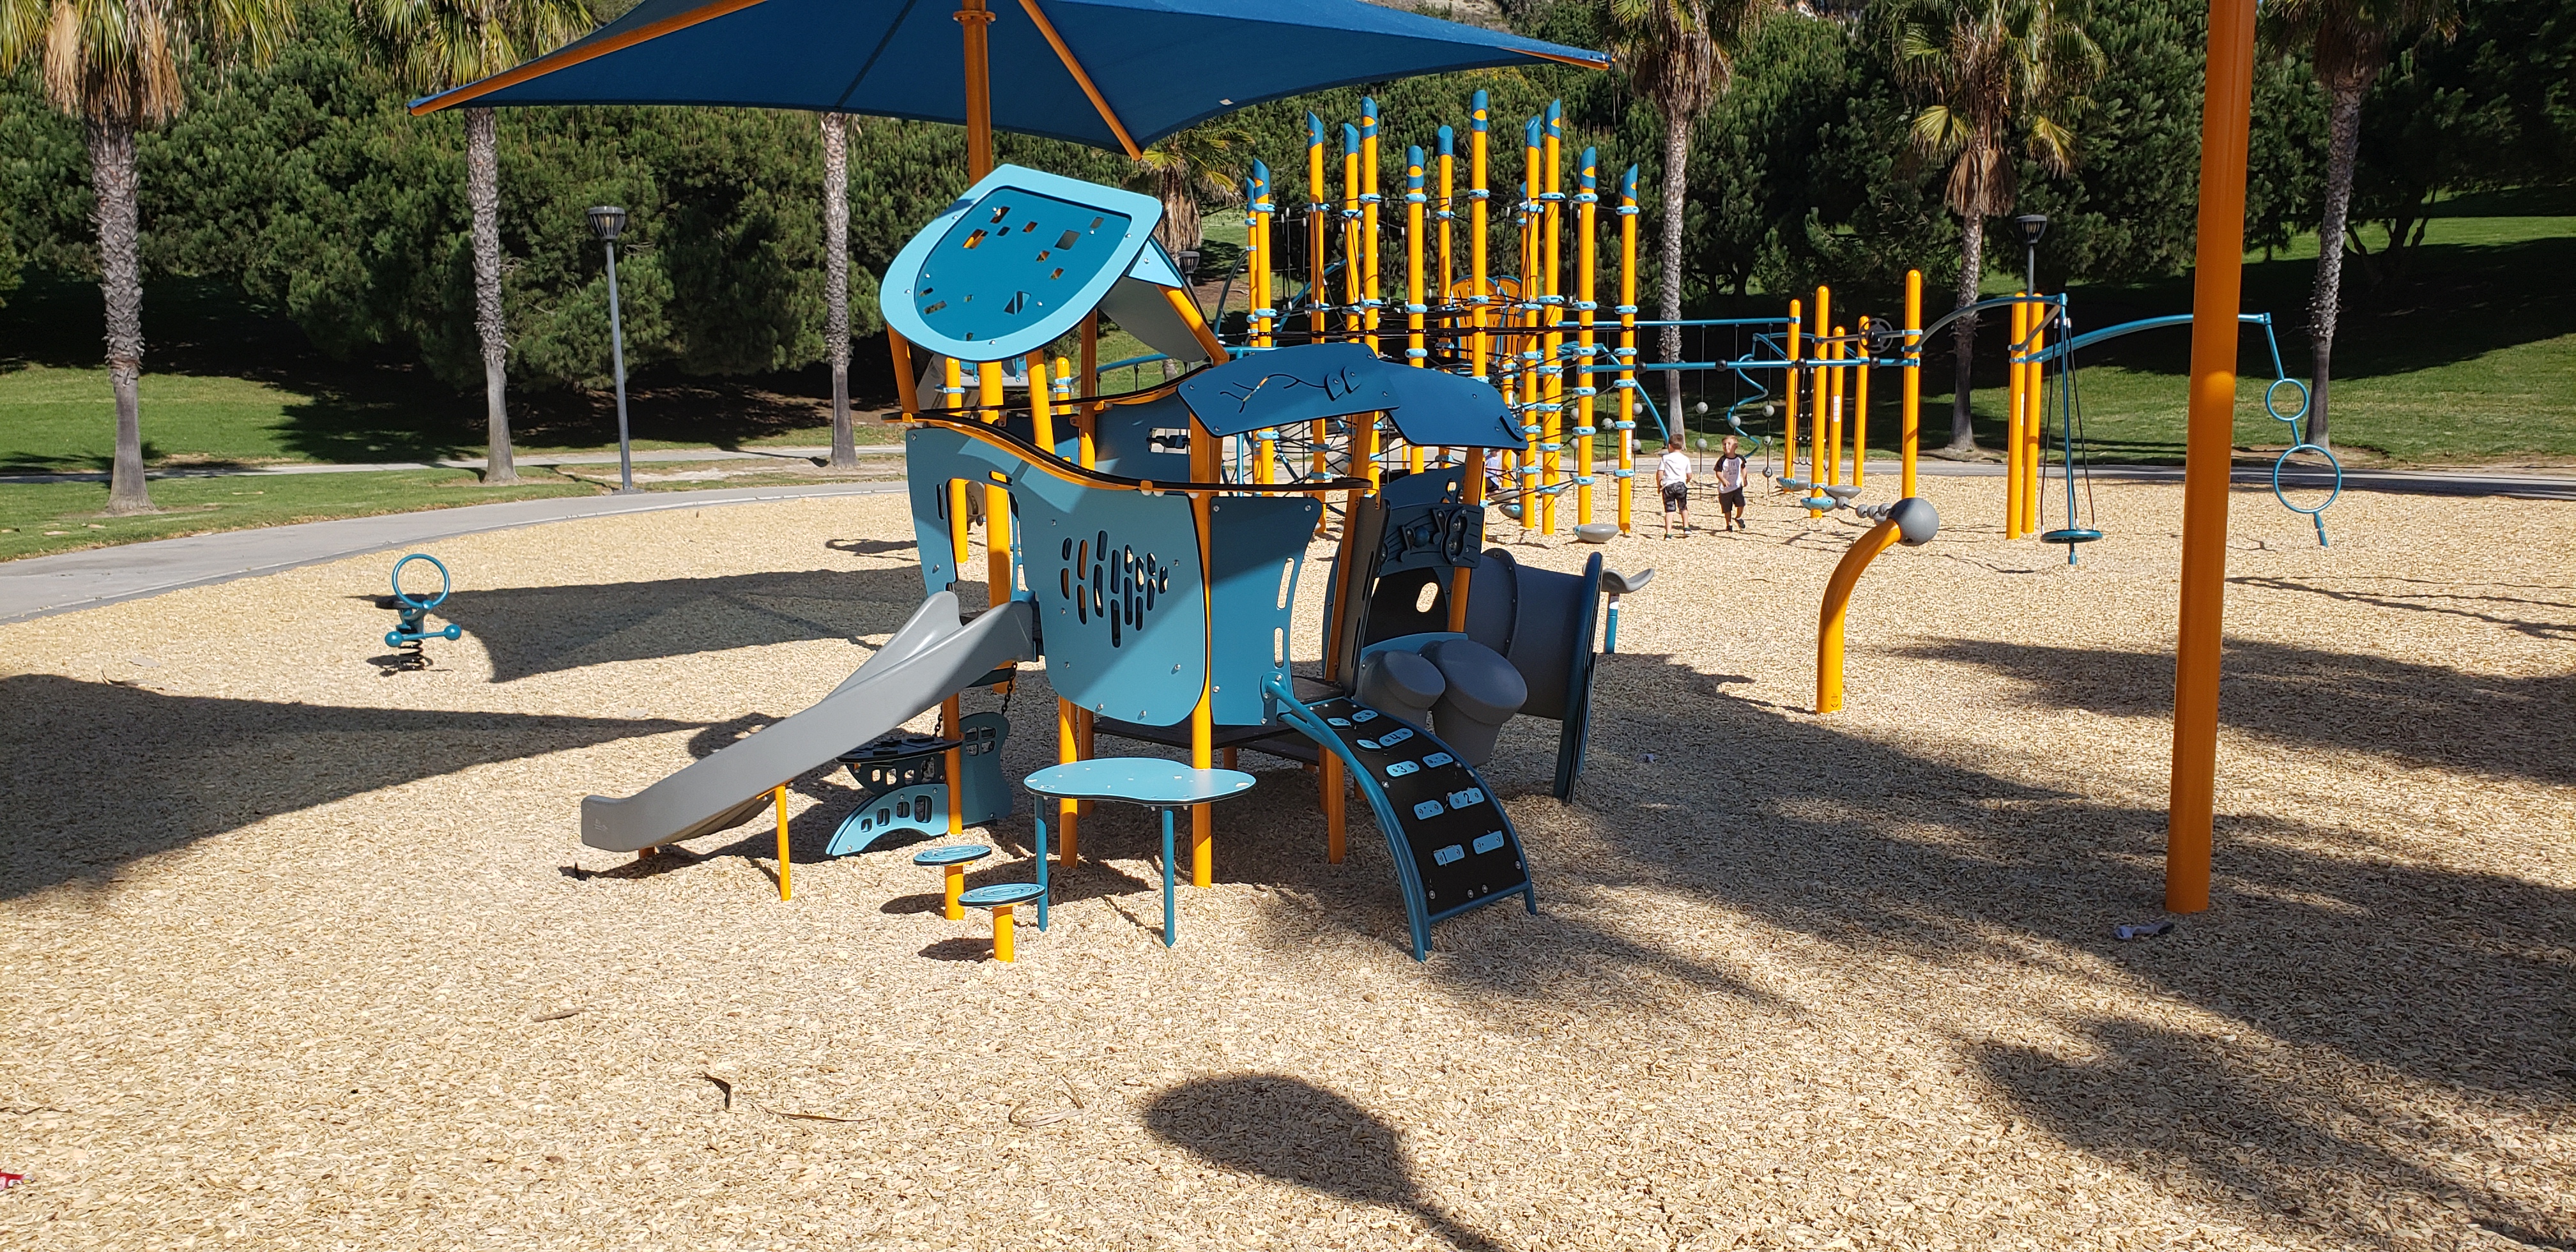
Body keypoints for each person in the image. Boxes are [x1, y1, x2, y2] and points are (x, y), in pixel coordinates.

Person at [1656, 437, 1692, 538]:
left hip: (1668, 486)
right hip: (1681, 485)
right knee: (1683, 507)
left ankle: (1668, 533)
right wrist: (1686, 481)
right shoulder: (1685, 459)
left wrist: (1659, 485)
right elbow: (1689, 475)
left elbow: (1660, 473)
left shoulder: (1665, 458)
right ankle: (1686, 527)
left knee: (1669, 510)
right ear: (1682, 446)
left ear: (1669, 446)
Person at [1713, 434, 1749, 531]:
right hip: (1725, 489)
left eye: (1729, 444)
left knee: (1741, 504)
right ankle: (1729, 524)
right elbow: (1718, 472)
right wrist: (1723, 480)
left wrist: (1745, 478)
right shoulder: (1722, 460)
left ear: (1736, 446)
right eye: (1724, 444)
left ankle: (1738, 517)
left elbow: (1743, 468)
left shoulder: (1740, 458)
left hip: (1737, 486)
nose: (1726, 446)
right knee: (1727, 508)